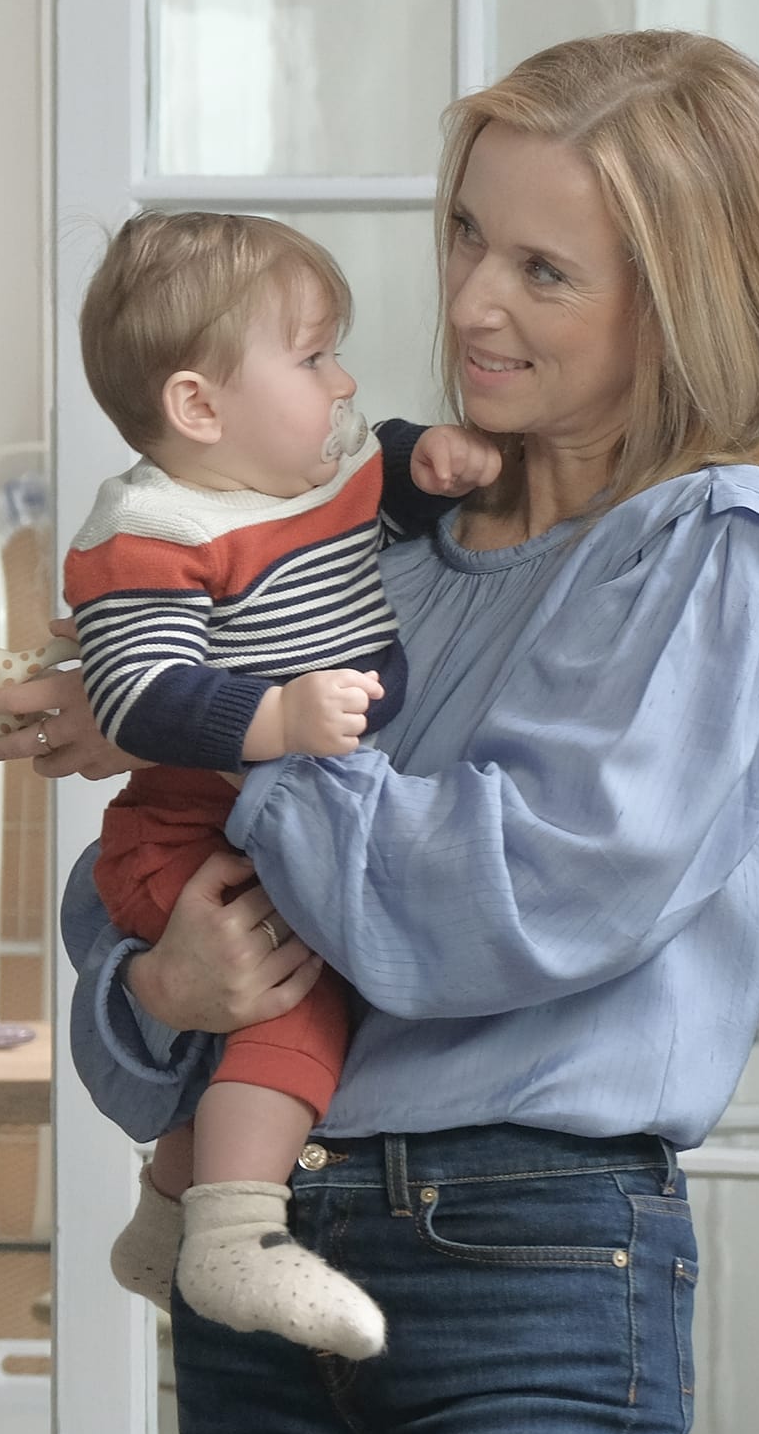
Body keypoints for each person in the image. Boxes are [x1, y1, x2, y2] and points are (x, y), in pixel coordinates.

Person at [0, 31, 759, 1434]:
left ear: (684, 297)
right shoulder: (388, 545)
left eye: (544, 267)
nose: (468, 303)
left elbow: (502, 901)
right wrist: (167, 981)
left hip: (537, 1272)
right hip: (267, 1259)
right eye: (467, 237)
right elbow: (143, 951)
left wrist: (233, 739)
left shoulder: (718, 548)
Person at [56, 211, 492, 1363]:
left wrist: (427, 469)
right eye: (311, 359)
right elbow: (137, 694)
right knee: (295, 997)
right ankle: (234, 1235)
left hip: (283, 811)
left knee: (273, 1001)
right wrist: (275, 718)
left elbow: (379, 481)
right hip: (190, 832)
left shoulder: (314, 473)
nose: (343, 382)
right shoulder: (151, 531)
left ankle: (165, 1217)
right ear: (200, 408)